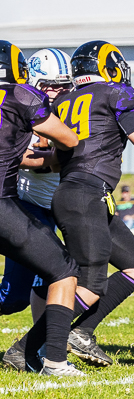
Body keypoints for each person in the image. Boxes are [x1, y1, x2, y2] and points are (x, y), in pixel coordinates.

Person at [5, 40, 134, 370]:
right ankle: (26, 348)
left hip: (79, 194)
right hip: (85, 195)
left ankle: (80, 331)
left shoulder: (65, 100)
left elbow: (62, 157)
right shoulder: (117, 93)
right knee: (91, 283)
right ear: (107, 67)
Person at [0, 41, 84, 376]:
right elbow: (71, 139)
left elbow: (16, 154)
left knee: (15, 298)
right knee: (64, 271)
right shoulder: (21, 96)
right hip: (7, 203)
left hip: (16, 205)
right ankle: (55, 361)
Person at [0, 48, 73, 318]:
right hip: (29, 205)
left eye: (63, 85)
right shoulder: (20, 106)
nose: (55, 91)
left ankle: (44, 346)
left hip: (67, 203)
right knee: (13, 299)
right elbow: (16, 156)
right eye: (49, 85)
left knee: (71, 272)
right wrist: (55, 157)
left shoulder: (76, 109)